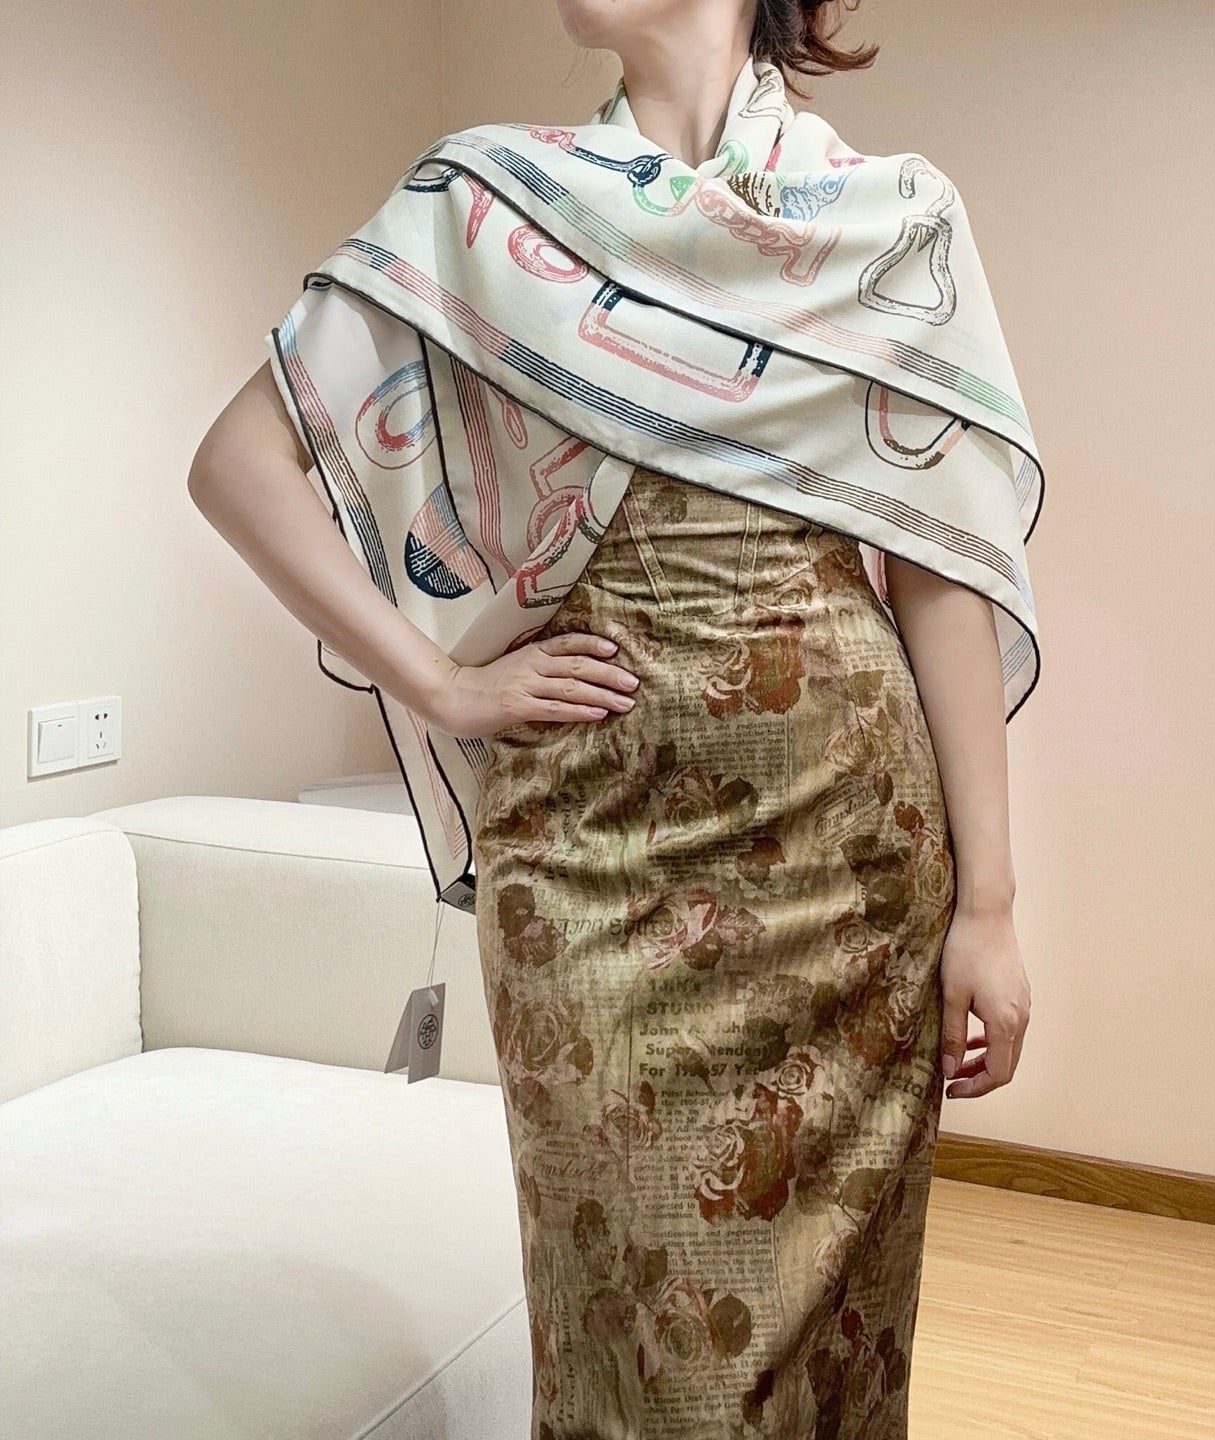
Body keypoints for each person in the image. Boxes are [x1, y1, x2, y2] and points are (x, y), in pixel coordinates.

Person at [190, 1, 1038, 1433]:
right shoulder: (490, 201)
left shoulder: (894, 220)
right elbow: (238, 464)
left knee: (835, 1332)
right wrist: (439, 681)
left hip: (848, 863)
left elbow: (939, 575)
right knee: (630, 1332)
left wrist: (991, 908)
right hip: (591, 856)